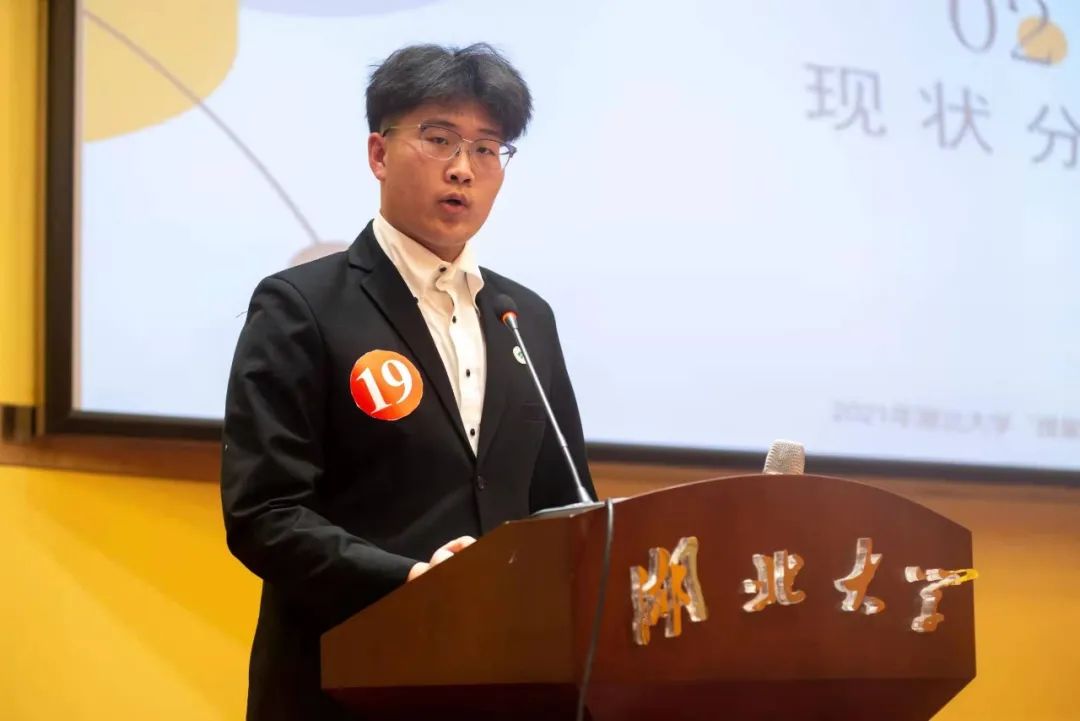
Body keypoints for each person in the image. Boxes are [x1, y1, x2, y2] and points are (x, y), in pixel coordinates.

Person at [220, 43, 596, 721]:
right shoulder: (302, 306)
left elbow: (563, 503)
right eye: (439, 138)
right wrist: (411, 580)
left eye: (487, 148)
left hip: (501, 685)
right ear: (379, 153)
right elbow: (264, 514)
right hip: (344, 682)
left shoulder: (523, 317)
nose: (463, 168)